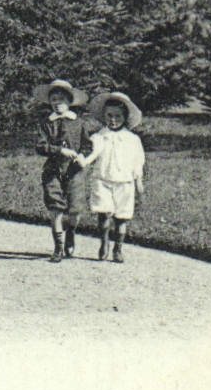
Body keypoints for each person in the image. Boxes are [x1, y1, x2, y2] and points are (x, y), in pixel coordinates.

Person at [76, 91, 146, 263]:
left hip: (125, 182)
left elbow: (138, 160)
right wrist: (82, 162)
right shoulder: (99, 136)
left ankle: (118, 248)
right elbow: (92, 153)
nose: (113, 120)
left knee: (122, 216)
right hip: (102, 179)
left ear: (125, 117)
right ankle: (104, 243)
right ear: (104, 116)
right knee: (104, 212)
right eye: (109, 116)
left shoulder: (132, 139)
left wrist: (138, 179)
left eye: (117, 116)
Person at [32, 79, 92, 262]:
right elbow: (40, 146)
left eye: (62, 99)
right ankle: (58, 247)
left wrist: (83, 156)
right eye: (54, 100)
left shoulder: (78, 123)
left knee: (75, 208)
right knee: (55, 206)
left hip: (74, 170)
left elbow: (87, 145)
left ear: (69, 101)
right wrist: (59, 150)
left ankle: (71, 232)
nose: (58, 103)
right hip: (53, 170)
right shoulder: (46, 123)